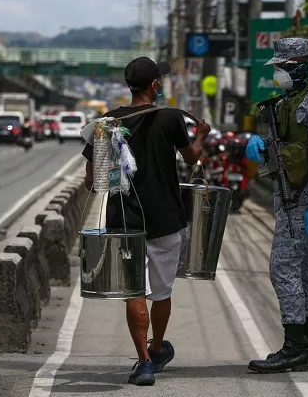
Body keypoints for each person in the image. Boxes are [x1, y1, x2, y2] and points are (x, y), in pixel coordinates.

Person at [82, 57, 211, 386]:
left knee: (134, 291)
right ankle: (156, 348)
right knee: (162, 291)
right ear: (154, 85)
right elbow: (192, 158)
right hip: (166, 218)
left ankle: (144, 362)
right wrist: (201, 136)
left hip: (124, 219)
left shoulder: (107, 122)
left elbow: (91, 181)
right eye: (159, 80)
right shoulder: (170, 118)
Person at [245, 38, 308, 373]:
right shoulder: (290, 100)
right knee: (306, 267)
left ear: (298, 65)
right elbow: (291, 143)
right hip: (289, 196)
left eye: (282, 67)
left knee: (282, 268)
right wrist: (261, 143)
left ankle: (294, 347)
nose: (278, 74)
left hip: (302, 199)